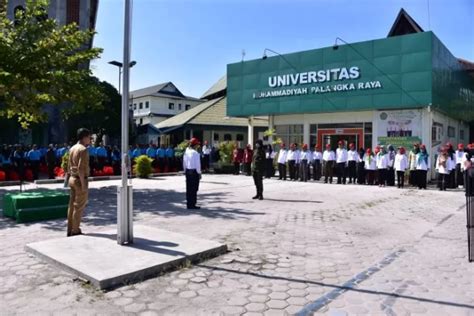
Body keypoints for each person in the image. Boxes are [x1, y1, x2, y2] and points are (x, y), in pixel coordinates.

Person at [66, 128, 91, 237]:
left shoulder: (72, 148)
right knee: (79, 206)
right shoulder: (83, 150)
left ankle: (70, 228)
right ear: (84, 137)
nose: (90, 140)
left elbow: (68, 166)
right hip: (80, 179)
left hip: (72, 178)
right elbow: (81, 168)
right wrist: (83, 184)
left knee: (71, 205)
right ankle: (75, 230)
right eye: (89, 137)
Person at [183, 138, 202, 209]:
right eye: (197, 144)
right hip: (194, 172)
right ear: (195, 145)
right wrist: (199, 173)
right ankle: (192, 204)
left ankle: (189, 204)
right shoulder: (196, 153)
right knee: (194, 189)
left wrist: (185, 171)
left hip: (188, 171)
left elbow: (184, 162)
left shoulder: (186, 152)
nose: (198, 146)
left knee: (188, 188)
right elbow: (198, 165)